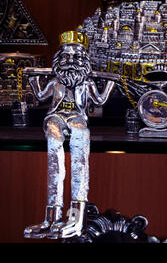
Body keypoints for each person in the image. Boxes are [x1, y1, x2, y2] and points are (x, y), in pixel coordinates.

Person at [24, 31, 116, 239]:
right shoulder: (56, 82)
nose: (70, 61)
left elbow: (99, 101)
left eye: (75, 57)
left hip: (77, 117)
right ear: (59, 59)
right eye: (66, 56)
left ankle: (76, 218)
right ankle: (52, 217)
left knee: (79, 144)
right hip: (55, 116)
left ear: (84, 60)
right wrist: (33, 78)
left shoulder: (86, 83)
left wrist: (110, 84)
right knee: (54, 152)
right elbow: (40, 96)